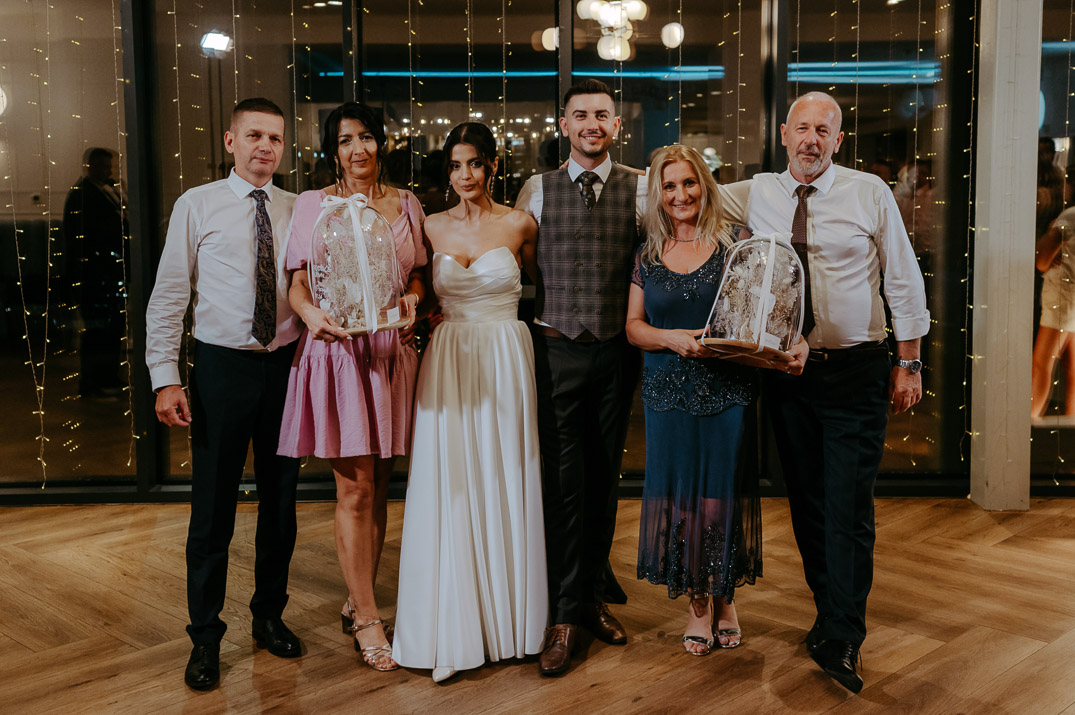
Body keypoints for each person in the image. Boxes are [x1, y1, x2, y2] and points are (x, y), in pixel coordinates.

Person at [718, 91, 929, 693]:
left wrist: (910, 362)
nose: (811, 139)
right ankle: (827, 611)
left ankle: (844, 633)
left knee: (848, 505)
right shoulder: (757, 192)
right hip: (787, 373)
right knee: (808, 502)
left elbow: (903, 277)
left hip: (857, 370)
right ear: (784, 134)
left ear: (839, 140)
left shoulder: (869, 192)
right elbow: (683, 189)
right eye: (802, 128)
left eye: (823, 130)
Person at [146, 97, 304, 691]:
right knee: (212, 507)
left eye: (276, 138)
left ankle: (269, 617)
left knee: (281, 503)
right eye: (255, 135)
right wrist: (165, 376)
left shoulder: (299, 208)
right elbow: (169, 295)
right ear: (231, 141)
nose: (266, 146)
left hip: (286, 367)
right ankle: (206, 637)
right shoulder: (198, 204)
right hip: (220, 369)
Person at [627, 144, 807, 656]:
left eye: (689, 183)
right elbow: (634, 327)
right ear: (658, 194)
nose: (680, 194)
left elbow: (766, 312)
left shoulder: (735, 244)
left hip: (726, 392)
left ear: (704, 186)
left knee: (717, 500)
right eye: (669, 186)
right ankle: (699, 605)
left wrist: (793, 342)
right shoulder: (646, 254)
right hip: (666, 394)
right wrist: (671, 339)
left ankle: (724, 595)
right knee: (681, 502)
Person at [392, 122, 547, 683]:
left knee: (504, 472)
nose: (465, 176)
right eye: (456, 165)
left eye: (475, 164)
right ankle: (451, 622)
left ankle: (513, 622)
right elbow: (416, 287)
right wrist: (417, 312)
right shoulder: (430, 226)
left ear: (492, 166)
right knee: (450, 479)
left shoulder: (521, 223)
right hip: (450, 357)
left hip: (505, 355)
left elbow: (545, 290)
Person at [277, 101, 427, 672]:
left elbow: (417, 273)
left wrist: (413, 300)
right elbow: (297, 281)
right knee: (355, 489)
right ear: (332, 150)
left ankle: (356, 595)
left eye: (366, 137)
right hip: (337, 353)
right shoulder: (312, 204)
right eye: (345, 140)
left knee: (381, 484)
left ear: (380, 143)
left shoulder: (406, 203)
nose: (357, 149)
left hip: (390, 354)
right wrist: (309, 315)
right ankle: (367, 616)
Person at [515, 78, 647, 677]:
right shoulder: (536, 190)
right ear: (563, 125)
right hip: (556, 350)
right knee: (565, 483)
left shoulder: (641, 188)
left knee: (604, 479)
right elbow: (519, 266)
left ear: (615, 125)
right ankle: (563, 613)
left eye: (602, 114)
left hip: (616, 353)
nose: (592, 123)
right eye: (580, 115)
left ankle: (590, 595)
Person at [64, 147, 128, 399]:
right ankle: (92, 383)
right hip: (94, 274)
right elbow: (82, 236)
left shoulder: (108, 190)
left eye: (109, 167)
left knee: (112, 329)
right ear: (89, 167)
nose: (108, 172)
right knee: (97, 331)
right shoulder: (82, 194)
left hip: (111, 272)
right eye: (103, 167)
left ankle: (109, 376)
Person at [1032, 204, 1075, 417]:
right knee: (1072, 370)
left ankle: (1029, 421)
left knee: (1041, 365)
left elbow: (1041, 261)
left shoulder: (1070, 216)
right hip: (1071, 296)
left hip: (1062, 296)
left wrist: (1050, 236)